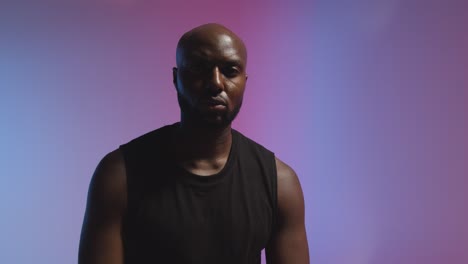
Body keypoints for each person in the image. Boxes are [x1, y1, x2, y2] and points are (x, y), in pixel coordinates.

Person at [78, 23, 309, 264]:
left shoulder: (280, 184)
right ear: (176, 79)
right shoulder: (118, 175)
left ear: (244, 81)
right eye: (199, 68)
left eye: (230, 71)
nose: (216, 83)